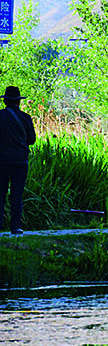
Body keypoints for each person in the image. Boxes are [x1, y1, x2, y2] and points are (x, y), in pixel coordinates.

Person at [0, 86, 36, 236]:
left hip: (1, 161)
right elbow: (32, 140)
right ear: (18, 102)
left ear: (5, 101)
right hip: (20, 161)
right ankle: (15, 227)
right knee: (17, 193)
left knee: (0, 193)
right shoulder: (25, 118)